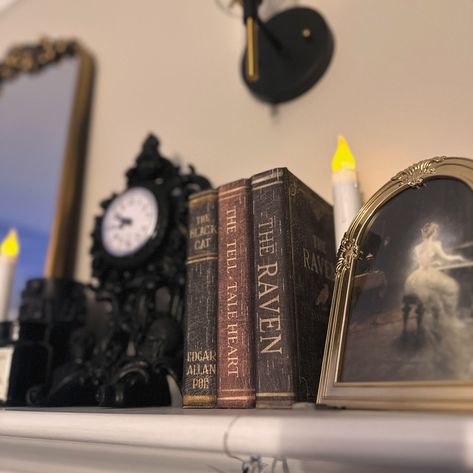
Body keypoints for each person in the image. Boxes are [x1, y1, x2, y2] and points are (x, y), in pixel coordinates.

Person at [405, 222, 464, 320]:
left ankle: (437, 315)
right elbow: (446, 258)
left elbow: (422, 263)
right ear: (433, 232)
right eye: (436, 230)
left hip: (416, 278)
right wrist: (458, 257)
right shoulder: (436, 245)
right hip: (428, 276)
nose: (437, 233)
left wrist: (433, 263)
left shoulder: (417, 248)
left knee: (436, 294)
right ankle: (450, 316)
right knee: (453, 287)